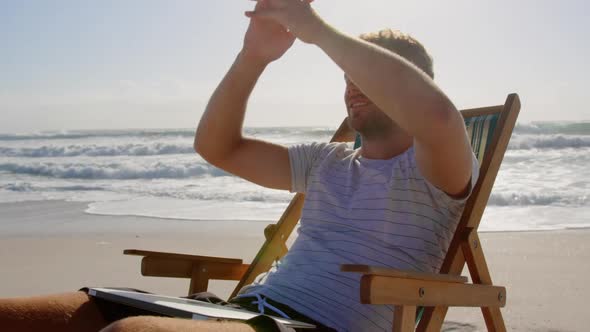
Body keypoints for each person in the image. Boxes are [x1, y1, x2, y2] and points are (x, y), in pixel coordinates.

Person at [0, 0, 478, 331]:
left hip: (314, 326)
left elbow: (435, 114)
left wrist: (313, 29)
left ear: (409, 84)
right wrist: (254, 56)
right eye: (347, 76)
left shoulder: (438, 170)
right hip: (244, 314)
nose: (352, 85)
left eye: (367, 73)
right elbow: (217, 146)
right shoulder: (325, 162)